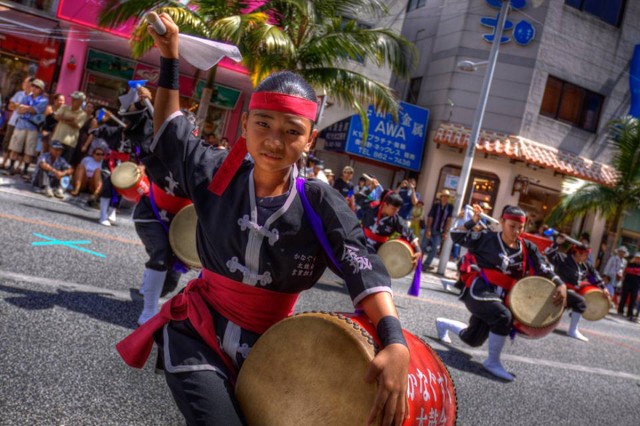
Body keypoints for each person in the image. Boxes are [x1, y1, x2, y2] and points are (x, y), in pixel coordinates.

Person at [116, 13, 410, 426]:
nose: (274, 140)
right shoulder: (215, 172)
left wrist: (395, 342)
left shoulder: (319, 202)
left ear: (310, 139)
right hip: (197, 331)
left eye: (292, 131)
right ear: (245, 124)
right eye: (263, 124)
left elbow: (363, 266)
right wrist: (170, 58)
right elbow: (170, 129)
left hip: (277, 351)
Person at [436, 205, 567, 381]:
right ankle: (492, 362)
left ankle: (443, 323)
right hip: (480, 290)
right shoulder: (486, 238)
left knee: (473, 339)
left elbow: (544, 268)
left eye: (520, 227)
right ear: (502, 222)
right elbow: (456, 235)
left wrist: (560, 283)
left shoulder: (527, 247)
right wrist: (473, 221)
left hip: (502, 297)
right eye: (512, 226)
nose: (516, 231)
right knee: (503, 316)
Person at [545, 236, 607, 342]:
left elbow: (594, 274)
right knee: (580, 302)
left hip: (571, 292)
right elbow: (549, 254)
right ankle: (572, 330)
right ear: (577, 253)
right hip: (559, 289)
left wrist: (604, 288)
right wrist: (557, 243)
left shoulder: (584, 265)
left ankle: (561, 325)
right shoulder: (563, 259)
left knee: (562, 311)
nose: (587, 257)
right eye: (585, 255)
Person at [361, 190, 422, 263]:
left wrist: (418, 249)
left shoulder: (396, 220)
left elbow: (409, 234)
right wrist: (371, 188)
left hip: (378, 251)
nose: (395, 212)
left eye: (398, 209)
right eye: (393, 209)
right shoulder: (372, 206)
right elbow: (359, 197)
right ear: (385, 204)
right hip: (360, 241)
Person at [7, 78, 48, 178]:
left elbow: (34, 110)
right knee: (15, 147)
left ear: (41, 89)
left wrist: (23, 107)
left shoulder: (44, 100)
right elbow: (18, 110)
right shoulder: (26, 97)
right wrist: (24, 108)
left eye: (37, 87)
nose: (34, 88)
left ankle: (25, 170)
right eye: (33, 86)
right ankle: (11, 167)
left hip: (33, 127)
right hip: (21, 124)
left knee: (29, 150)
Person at [1, 76, 32, 171]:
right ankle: (4, 162)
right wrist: (20, 107)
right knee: (8, 142)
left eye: (25, 82)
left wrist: (19, 106)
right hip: (13, 121)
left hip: (25, 124)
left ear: (30, 85)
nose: (23, 84)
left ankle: (18, 167)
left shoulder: (33, 97)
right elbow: (10, 106)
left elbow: (31, 110)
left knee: (21, 145)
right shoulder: (19, 94)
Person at [51, 91, 88, 163]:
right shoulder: (64, 107)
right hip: (58, 138)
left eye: (76, 99)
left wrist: (63, 118)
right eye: (72, 98)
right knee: (52, 160)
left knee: (63, 163)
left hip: (69, 142)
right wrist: (69, 119)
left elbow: (77, 125)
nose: (73, 100)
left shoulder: (83, 114)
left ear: (81, 102)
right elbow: (56, 116)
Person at [422, 189, 454, 271]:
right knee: (423, 246)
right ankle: (418, 263)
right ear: (441, 197)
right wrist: (428, 229)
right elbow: (430, 217)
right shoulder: (436, 205)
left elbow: (449, 220)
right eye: (444, 196)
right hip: (431, 228)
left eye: (447, 197)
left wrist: (445, 232)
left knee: (435, 249)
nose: (445, 198)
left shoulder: (450, 207)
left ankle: (425, 265)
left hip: (439, 232)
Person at [618, 252, 640, 321]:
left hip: (636, 284)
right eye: (636, 258)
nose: (637, 259)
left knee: (633, 299)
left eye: (639, 258)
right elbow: (627, 270)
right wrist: (635, 272)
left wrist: (633, 271)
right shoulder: (630, 264)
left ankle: (629, 313)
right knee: (624, 297)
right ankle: (620, 310)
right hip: (627, 282)